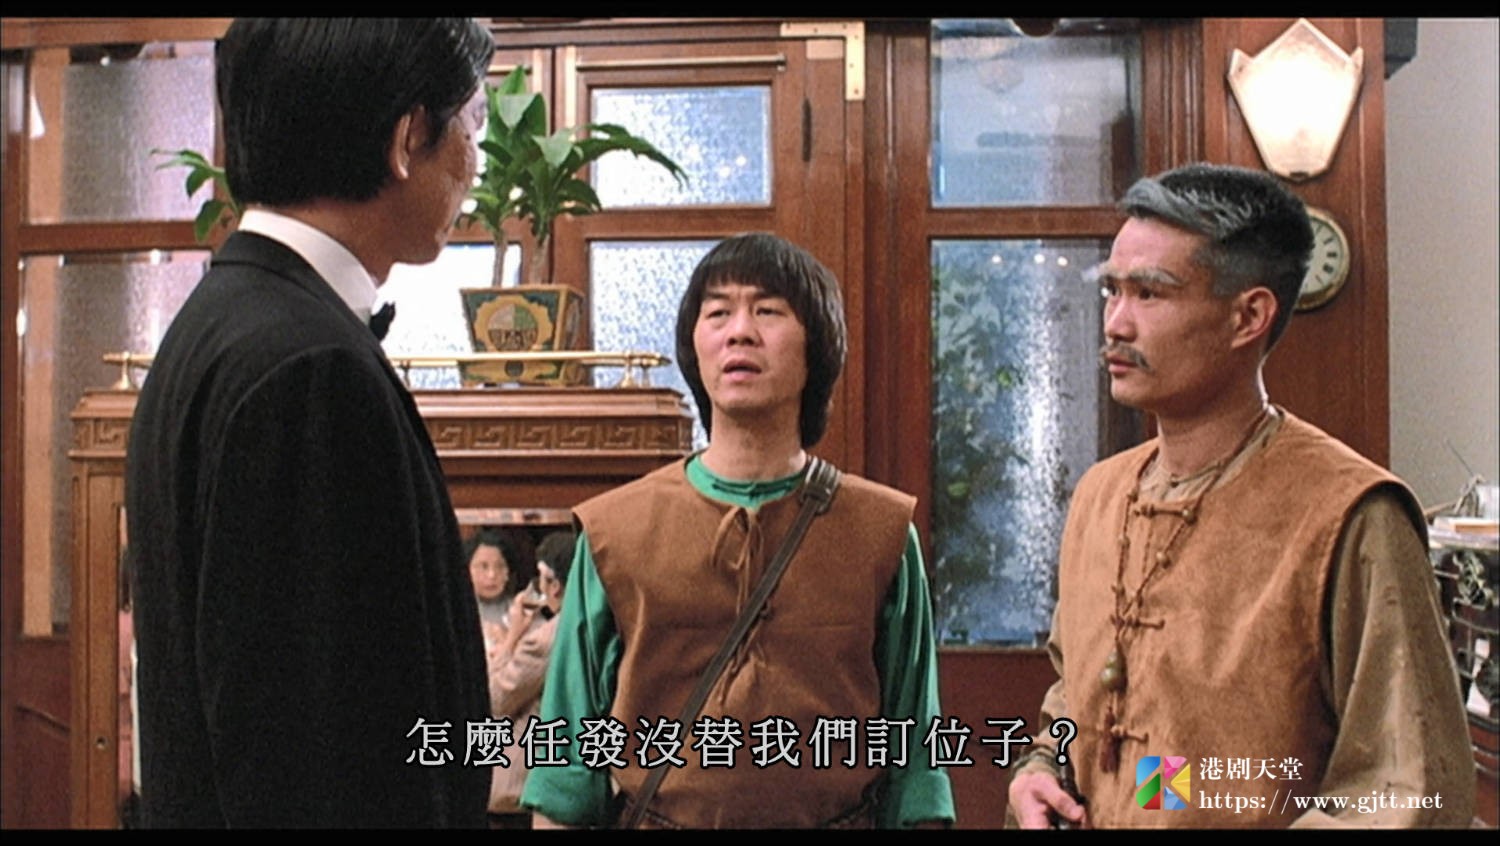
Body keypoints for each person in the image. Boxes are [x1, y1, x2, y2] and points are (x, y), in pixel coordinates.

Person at [1006, 162, 1476, 828]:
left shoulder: (1349, 514)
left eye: (1150, 294)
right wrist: (1041, 771)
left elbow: (1409, 788)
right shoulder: (1100, 496)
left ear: (1248, 316)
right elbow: (1075, 696)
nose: (1115, 324)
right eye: (1112, 291)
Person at [124, 19, 496, 827]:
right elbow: (317, 753)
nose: (479, 158)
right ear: (407, 139)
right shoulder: (308, 367)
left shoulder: (233, 317)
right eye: (474, 121)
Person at [520, 233, 956, 829]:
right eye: (718, 312)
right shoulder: (615, 531)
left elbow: (917, 761)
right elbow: (567, 766)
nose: (740, 332)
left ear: (818, 345)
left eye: (768, 311)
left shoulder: (880, 532)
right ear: (694, 346)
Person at [485, 529, 578, 827]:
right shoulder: (584, 626)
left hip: (525, 779)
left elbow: (496, 699)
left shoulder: (543, 640)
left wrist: (512, 636)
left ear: (555, 585)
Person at [467, 527, 527, 656]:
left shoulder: (522, 611)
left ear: (508, 573)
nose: (492, 575)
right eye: (483, 566)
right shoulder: (454, 612)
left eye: (500, 566)